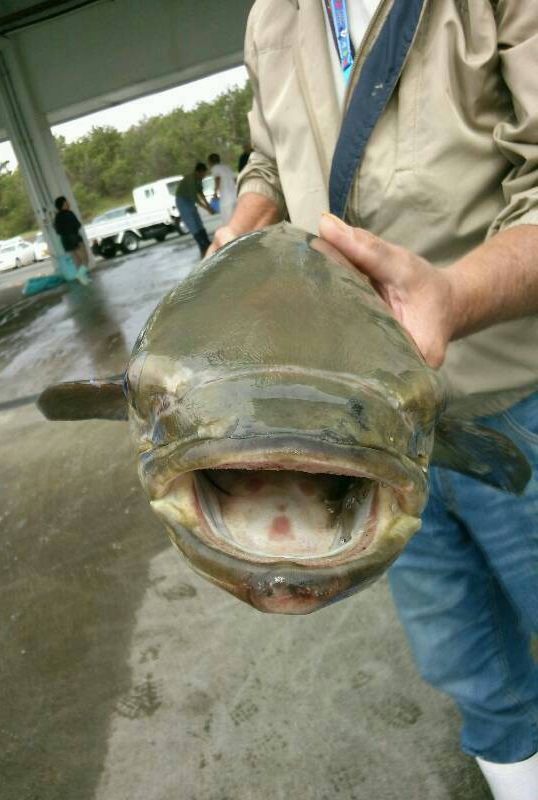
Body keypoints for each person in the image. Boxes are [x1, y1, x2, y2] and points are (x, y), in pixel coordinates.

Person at [208, 2, 538, 798]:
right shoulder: (272, 17)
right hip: (373, 427)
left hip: (516, 389)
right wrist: (245, 226)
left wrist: (453, 295)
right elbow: (266, 158)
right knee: (463, 660)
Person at [175, 163, 214, 257]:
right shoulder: (191, 179)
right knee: (192, 223)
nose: (204, 176)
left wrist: (209, 206)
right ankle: (202, 246)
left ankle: (207, 243)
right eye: (203, 174)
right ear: (198, 172)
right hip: (182, 201)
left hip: (190, 201)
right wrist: (207, 209)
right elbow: (195, 199)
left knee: (198, 222)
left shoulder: (198, 179)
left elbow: (201, 193)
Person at [53, 196, 90, 285]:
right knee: (85, 259)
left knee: (77, 260)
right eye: (67, 202)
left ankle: (84, 280)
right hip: (75, 239)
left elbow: (57, 231)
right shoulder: (69, 213)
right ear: (63, 204)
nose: (69, 204)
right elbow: (77, 225)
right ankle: (80, 274)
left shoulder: (57, 217)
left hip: (65, 241)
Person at [207, 153, 237, 225]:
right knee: (236, 218)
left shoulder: (215, 168)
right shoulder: (227, 167)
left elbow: (218, 179)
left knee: (228, 221)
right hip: (235, 196)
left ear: (210, 161)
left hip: (226, 199)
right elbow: (235, 180)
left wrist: (215, 193)